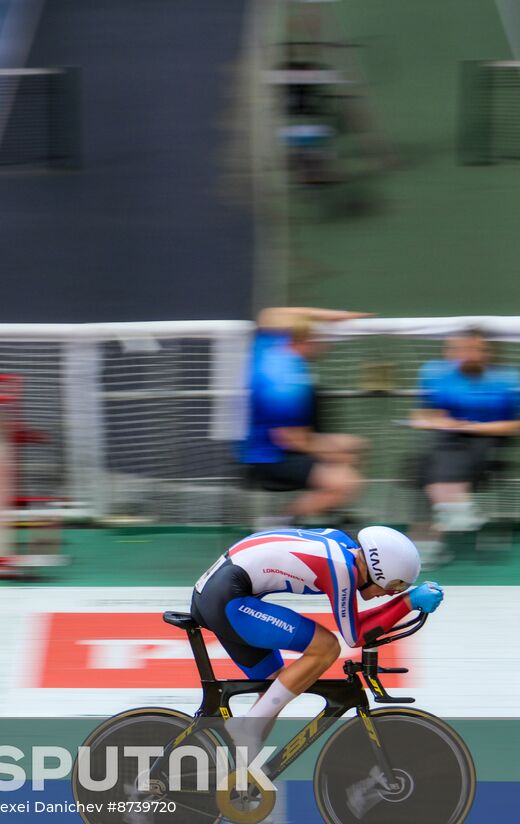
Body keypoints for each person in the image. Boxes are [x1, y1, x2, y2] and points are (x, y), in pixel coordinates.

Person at [189, 525, 442, 768]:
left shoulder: (344, 546)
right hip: (227, 600)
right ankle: (248, 728)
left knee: (278, 687)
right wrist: (407, 603)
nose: (390, 594)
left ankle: (243, 788)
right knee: (326, 647)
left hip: (220, 594)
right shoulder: (341, 569)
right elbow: (355, 636)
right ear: (378, 570)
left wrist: (407, 600)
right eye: (393, 586)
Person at [240, 306, 371, 525]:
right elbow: (290, 439)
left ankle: (330, 513)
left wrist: (334, 316)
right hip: (270, 458)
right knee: (346, 482)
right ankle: (280, 521)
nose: (324, 344)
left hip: (288, 445)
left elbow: (271, 314)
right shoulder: (283, 381)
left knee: (355, 445)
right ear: (304, 340)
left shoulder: (269, 346)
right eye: (319, 338)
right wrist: (334, 454)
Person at [410, 329, 520, 563]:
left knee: (438, 459)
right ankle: (455, 509)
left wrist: (473, 428)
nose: (468, 355)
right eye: (461, 350)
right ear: (450, 353)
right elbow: (421, 415)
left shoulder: (508, 378)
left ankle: (435, 531)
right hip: (448, 439)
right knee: (432, 454)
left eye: (475, 349)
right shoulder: (435, 373)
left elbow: (514, 425)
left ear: (486, 352)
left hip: (489, 441)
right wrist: (443, 422)